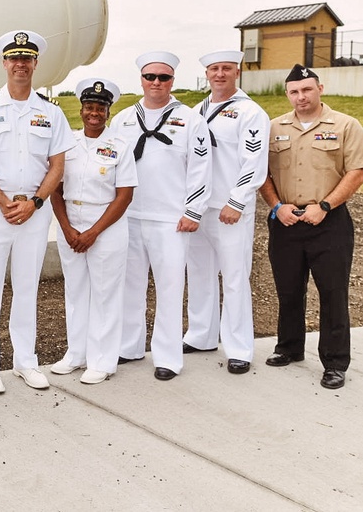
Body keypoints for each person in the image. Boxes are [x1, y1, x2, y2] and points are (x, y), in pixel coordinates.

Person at [0, 30, 75, 394]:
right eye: (15, 58)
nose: (21, 64)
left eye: (27, 58)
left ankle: (25, 361)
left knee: (27, 285)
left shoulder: (50, 112)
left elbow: (57, 165)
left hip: (34, 210)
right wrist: (1, 201)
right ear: (5, 63)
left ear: (35, 63)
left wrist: (35, 202)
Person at [258, 64, 363, 390]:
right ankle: (289, 347)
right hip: (285, 221)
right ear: (287, 94)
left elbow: (358, 172)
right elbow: (261, 175)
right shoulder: (273, 128)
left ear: (319, 89)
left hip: (329, 223)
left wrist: (324, 206)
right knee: (288, 290)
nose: (301, 96)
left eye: (307, 89)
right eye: (294, 91)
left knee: (332, 293)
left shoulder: (345, 125)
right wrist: (276, 206)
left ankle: (335, 362)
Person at [110, 52, 211, 381]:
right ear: (141, 79)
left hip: (171, 219)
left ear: (172, 82)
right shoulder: (123, 118)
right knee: (130, 285)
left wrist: (193, 210)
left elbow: (201, 167)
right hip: (129, 216)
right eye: (150, 77)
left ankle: (168, 356)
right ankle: (129, 346)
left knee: (169, 287)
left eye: (163, 78)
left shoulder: (190, 118)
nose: (156, 83)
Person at [183, 50, 270, 374]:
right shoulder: (197, 110)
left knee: (234, 278)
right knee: (200, 273)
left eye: (226, 69)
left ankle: (239, 348)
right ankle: (202, 335)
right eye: (213, 69)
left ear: (237, 72)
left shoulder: (250, 112)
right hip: (199, 208)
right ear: (207, 74)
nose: (219, 74)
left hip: (230, 209)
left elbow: (254, 161)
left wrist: (237, 202)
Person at [50, 78, 137, 385]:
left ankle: (102, 360)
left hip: (106, 225)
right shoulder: (67, 145)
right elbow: (55, 190)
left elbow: (124, 196)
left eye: (101, 108)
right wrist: (67, 229)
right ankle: (76, 354)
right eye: (89, 107)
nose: (94, 113)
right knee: (75, 291)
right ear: (81, 110)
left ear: (109, 112)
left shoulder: (120, 147)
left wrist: (93, 232)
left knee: (104, 294)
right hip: (70, 222)